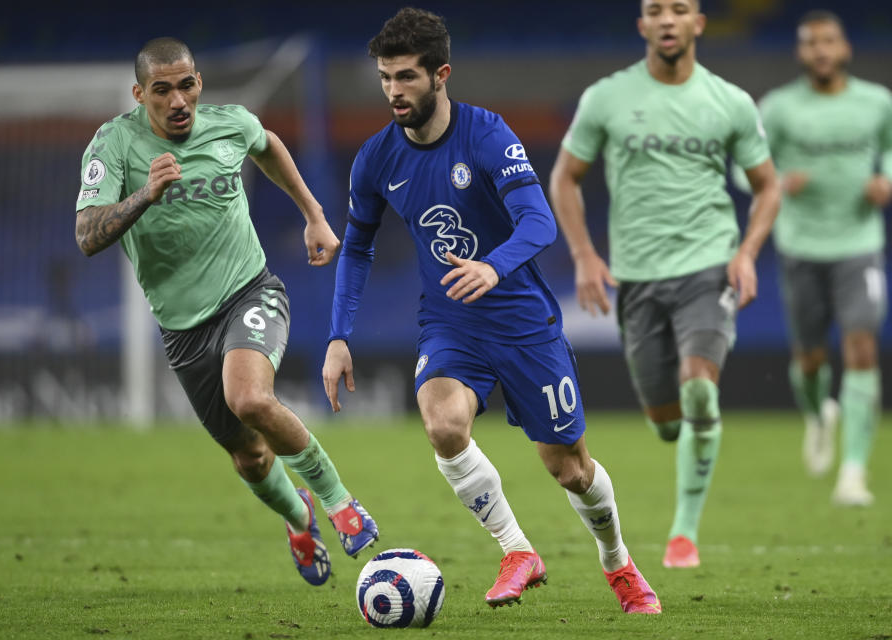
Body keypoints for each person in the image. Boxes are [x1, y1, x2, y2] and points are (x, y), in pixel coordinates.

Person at [322, 7, 660, 615]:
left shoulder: (486, 135)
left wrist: (493, 265)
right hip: (450, 322)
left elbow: (539, 221)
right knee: (443, 424)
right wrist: (338, 335)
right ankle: (516, 549)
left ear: (441, 74)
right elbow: (358, 246)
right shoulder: (375, 159)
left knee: (570, 468)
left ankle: (619, 564)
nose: (394, 91)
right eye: (385, 78)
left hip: (524, 321)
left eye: (406, 77)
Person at [74, 37, 378, 587]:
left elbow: (268, 145)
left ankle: (339, 502)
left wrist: (313, 213)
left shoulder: (231, 122)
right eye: (161, 90)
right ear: (140, 94)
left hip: (250, 290)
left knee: (250, 397)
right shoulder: (113, 144)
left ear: (199, 84)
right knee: (251, 460)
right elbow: (86, 236)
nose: (177, 100)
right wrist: (145, 195)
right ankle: (300, 517)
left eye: (186, 85)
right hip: (184, 329)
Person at [549, 0, 781, 569]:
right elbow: (565, 177)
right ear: (643, 25)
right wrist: (582, 254)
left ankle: (684, 532)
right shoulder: (607, 97)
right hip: (638, 279)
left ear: (698, 23)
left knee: (700, 386)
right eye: (657, 9)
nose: (669, 19)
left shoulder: (729, 102)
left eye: (680, 9)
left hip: (708, 268)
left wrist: (748, 253)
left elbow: (768, 186)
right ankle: (677, 426)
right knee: (666, 422)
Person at [753, 11, 891, 505]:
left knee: (861, 349)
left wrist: (887, 178)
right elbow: (744, 166)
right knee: (810, 361)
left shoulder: (877, 103)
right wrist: (779, 179)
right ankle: (818, 415)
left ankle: (853, 473)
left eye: (829, 41)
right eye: (812, 43)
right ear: (801, 53)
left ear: (845, 48)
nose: (821, 50)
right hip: (801, 247)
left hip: (859, 246)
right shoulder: (780, 107)